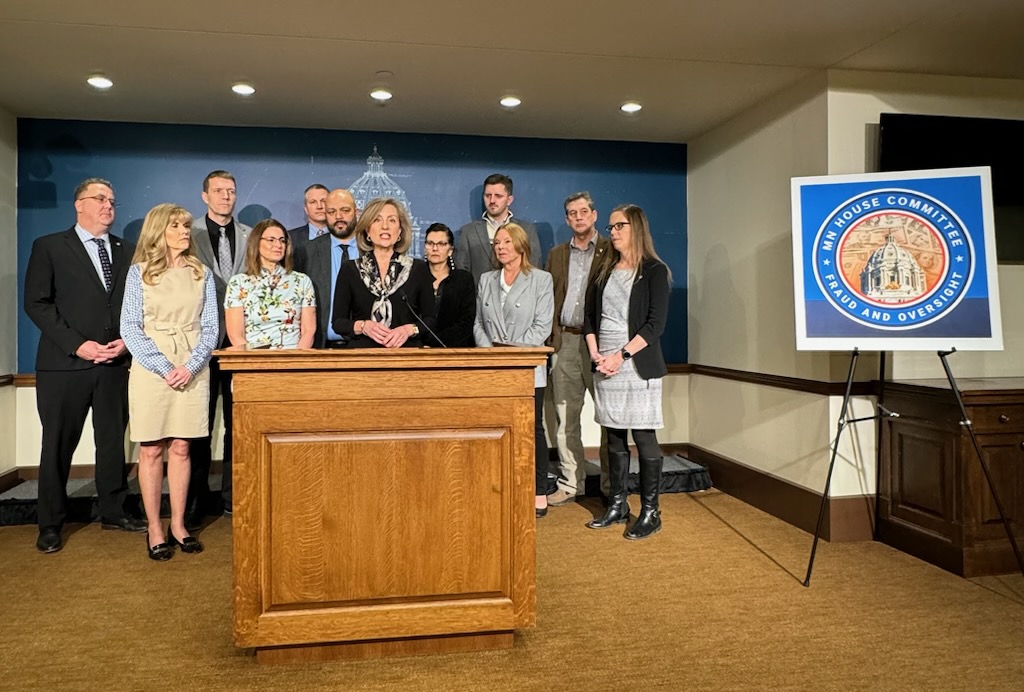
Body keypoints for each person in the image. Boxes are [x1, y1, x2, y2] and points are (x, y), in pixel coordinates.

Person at [24, 177, 147, 552]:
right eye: (100, 199)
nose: (108, 205)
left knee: (112, 442)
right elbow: (37, 303)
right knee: (58, 445)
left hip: (115, 362)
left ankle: (113, 510)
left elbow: (136, 305)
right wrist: (78, 345)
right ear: (79, 204)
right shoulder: (49, 247)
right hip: (65, 365)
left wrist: (127, 342)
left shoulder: (128, 251)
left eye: (112, 200)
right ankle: (50, 522)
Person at [120, 203, 218, 560]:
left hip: (191, 367)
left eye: (185, 226)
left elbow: (211, 329)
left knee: (181, 447)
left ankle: (178, 523)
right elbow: (130, 328)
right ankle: (155, 527)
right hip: (152, 369)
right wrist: (164, 366)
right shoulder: (139, 274)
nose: (183, 231)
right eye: (175, 225)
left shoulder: (201, 272)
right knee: (151, 449)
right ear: (158, 231)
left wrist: (190, 366)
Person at [584, 204, 671, 540]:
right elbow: (590, 317)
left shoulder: (654, 271)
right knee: (614, 436)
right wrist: (596, 354)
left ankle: (651, 512)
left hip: (635, 363)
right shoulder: (604, 269)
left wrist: (620, 355)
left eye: (619, 226)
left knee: (644, 436)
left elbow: (655, 325)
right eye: (610, 227)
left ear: (636, 227)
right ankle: (617, 505)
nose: (613, 232)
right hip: (603, 361)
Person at [474, 223, 554, 517]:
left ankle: (538, 492)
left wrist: (512, 353)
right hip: (492, 369)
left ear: (521, 245)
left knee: (532, 430)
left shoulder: (541, 280)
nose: (501, 247)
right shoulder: (486, 279)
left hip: (527, 367)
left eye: (507, 241)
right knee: (496, 429)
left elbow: (542, 327)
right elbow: (478, 324)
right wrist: (491, 355)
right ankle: (499, 488)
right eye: (497, 243)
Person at [188, 170, 251, 520]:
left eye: (231, 190)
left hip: (240, 344)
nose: (226, 196)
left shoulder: (249, 235)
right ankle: (196, 498)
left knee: (235, 423)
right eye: (218, 190)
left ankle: (232, 495)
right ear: (204, 196)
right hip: (200, 342)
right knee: (199, 423)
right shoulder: (188, 232)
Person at [546, 192, 612, 507]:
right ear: (567, 219)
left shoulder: (612, 251)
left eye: (583, 211)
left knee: (608, 416)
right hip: (566, 342)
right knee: (565, 416)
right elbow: (551, 298)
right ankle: (571, 483)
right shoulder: (557, 254)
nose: (578, 217)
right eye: (572, 213)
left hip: (600, 343)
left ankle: (612, 486)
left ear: (594, 215)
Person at [331, 197, 435, 348]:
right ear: (367, 230)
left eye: (392, 221)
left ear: (399, 231)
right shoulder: (350, 269)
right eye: (377, 220)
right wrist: (364, 326)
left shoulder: (417, 269)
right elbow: (339, 323)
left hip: (406, 354)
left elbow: (431, 320)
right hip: (363, 356)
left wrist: (409, 330)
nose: (385, 226)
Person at [225, 219, 316, 349]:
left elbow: (308, 331)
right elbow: (236, 335)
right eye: (271, 240)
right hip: (253, 360)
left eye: (282, 240)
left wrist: (297, 361)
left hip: (294, 358)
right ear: (256, 243)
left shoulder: (302, 281)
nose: (278, 245)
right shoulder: (238, 283)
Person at [456, 173, 542, 285]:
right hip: (480, 300)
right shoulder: (468, 232)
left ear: (509, 200)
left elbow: (534, 269)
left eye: (498, 196)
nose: (492, 200)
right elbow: (462, 274)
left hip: (519, 299)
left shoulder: (527, 230)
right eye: (488, 195)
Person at [302, 188, 359, 348]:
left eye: (345, 210)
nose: (338, 217)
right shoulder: (306, 251)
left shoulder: (370, 250)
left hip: (363, 348)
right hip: (320, 347)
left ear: (356, 212)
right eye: (332, 212)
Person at [423, 223, 476, 347]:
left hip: (455, 351)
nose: (435, 249)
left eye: (441, 244)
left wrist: (434, 344)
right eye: (430, 243)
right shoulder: (414, 277)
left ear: (450, 250)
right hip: (420, 351)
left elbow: (465, 323)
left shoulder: (463, 279)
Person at [288, 183, 329, 269]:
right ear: (306, 209)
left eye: (324, 201)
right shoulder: (290, 238)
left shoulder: (342, 237)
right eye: (313, 202)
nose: (319, 206)